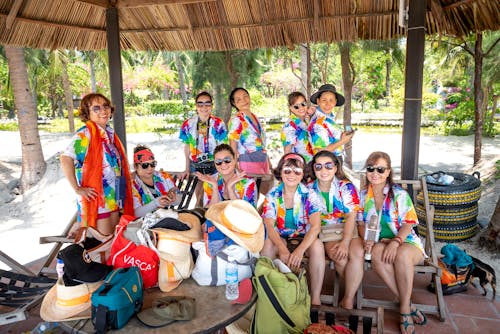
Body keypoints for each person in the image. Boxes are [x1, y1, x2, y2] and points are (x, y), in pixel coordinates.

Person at [357, 151, 427, 334]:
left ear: (388, 172)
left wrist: (396, 242)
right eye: (371, 168)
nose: (375, 173)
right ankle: (408, 303)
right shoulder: (363, 195)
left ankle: (404, 310)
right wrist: (368, 241)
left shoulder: (399, 194)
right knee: (376, 255)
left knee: (402, 255)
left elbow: (409, 223)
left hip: (406, 241)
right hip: (381, 241)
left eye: (380, 169)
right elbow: (360, 223)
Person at [60, 93, 134, 236]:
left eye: (105, 106)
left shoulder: (110, 134)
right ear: (87, 113)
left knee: (113, 241)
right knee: (102, 245)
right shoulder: (85, 135)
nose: (103, 111)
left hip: (113, 197)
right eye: (96, 108)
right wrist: (77, 188)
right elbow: (65, 158)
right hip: (97, 200)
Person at [261, 153, 324, 307]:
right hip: (281, 235)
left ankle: (315, 297)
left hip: (304, 236)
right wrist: (282, 249)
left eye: (297, 171)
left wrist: (300, 251)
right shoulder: (272, 195)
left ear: (303, 174)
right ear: (280, 172)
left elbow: (315, 226)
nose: (291, 175)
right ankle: (266, 291)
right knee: (268, 244)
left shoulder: (310, 195)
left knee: (317, 246)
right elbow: (269, 225)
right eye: (287, 170)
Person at [308, 150, 364, 309]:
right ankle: (349, 299)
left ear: (335, 167)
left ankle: (348, 298)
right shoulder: (309, 189)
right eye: (318, 167)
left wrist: (346, 241)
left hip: (349, 228)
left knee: (357, 253)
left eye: (328, 166)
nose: (323, 171)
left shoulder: (346, 186)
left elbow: (351, 216)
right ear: (314, 168)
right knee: (340, 256)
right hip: (327, 231)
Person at [179, 91, 228, 206]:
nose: (204, 107)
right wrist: (186, 168)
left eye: (207, 104)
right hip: (196, 165)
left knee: (213, 197)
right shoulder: (188, 124)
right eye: (200, 104)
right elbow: (187, 147)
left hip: (214, 166)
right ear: (196, 106)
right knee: (199, 199)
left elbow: (223, 147)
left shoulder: (218, 123)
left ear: (212, 105)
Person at [228, 87, 273, 195]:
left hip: (261, 161)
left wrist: (269, 162)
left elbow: (260, 143)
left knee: (266, 194)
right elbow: (232, 144)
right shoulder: (236, 119)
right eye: (239, 99)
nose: (243, 101)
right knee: (249, 196)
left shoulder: (254, 117)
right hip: (246, 163)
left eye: (245, 96)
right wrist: (234, 165)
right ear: (234, 104)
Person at [196, 144, 258, 208]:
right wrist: (215, 187)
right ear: (215, 163)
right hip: (216, 217)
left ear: (234, 160)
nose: (223, 164)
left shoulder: (248, 182)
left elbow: (249, 213)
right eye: (218, 161)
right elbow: (208, 211)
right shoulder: (211, 181)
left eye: (227, 160)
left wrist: (230, 189)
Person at [308, 84, 354, 163]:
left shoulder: (328, 118)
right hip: (326, 164)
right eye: (324, 100)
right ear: (318, 101)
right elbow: (320, 152)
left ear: (335, 102)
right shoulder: (318, 123)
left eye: (331, 100)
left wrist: (344, 136)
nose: (328, 104)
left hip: (334, 160)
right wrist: (342, 141)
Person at [131, 145, 180, 217]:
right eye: (145, 165)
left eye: (153, 164)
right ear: (135, 166)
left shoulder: (163, 177)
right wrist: (155, 203)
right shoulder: (131, 184)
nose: (150, 168)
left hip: (164, 218)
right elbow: (136, 213)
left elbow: (178, 200)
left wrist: (174, 199)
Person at [281, 91, 314, 163]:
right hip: (299, 164)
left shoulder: (306, 120)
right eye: (296, 106)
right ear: (290, 108)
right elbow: (287, 150)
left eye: (303, 104)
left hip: (311, 162)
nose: (301, 108)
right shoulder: (289, 126)